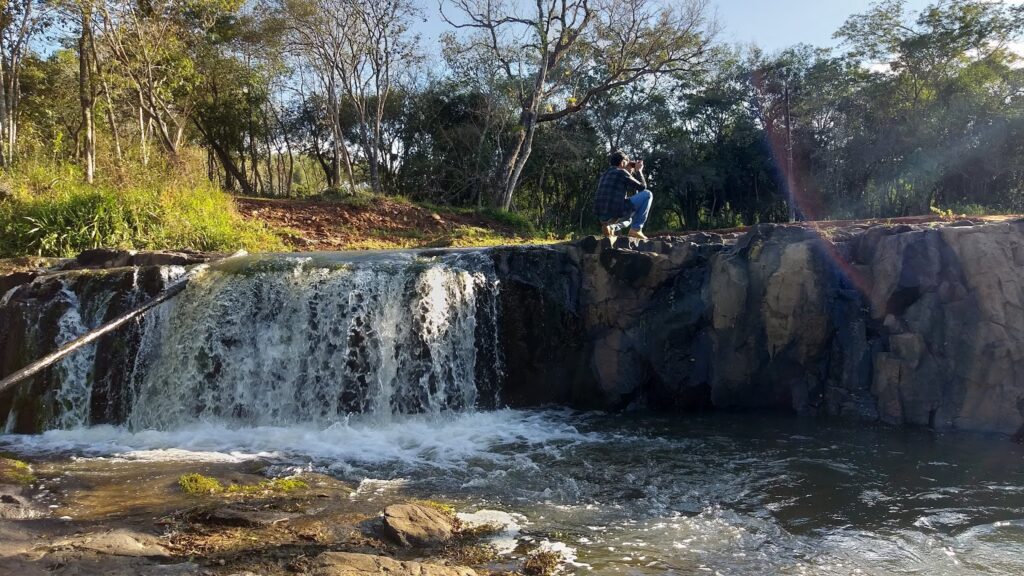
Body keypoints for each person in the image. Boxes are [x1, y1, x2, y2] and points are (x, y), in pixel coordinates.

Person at [593, 150, 653, 240]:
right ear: (622, 162)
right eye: (626, 162)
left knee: (629, 220)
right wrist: (639, 171)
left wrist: (629, 172)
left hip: (601, 217)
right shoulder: (621, 172)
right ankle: (636, 229)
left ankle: (611, 228)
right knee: (648, 194)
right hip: (615, 212)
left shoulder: (604, 174)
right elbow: (643, 187)